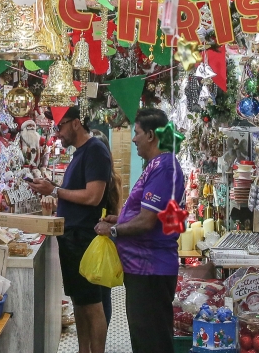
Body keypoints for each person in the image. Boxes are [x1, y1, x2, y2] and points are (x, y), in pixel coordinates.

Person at [95, 108, 185, 353]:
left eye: (137, 133)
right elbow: (145, 214)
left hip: (151, 271)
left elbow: (147, 221)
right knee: (144, 338)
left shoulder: (165, 167)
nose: (133, 138)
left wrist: (113, 232)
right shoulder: (155, 164)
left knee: (151, 341)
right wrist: (120, 219)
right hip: (142, 270)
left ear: (151, 136)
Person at [28, 107, 113, 353]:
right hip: (73, 239)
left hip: (84, 239)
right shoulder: (79, 154)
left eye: (60, 126)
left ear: (76, 123)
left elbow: (93, 196)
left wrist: (53, 190)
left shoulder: (95, 150)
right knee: (79, 302)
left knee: (92, 305)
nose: (58, 134)